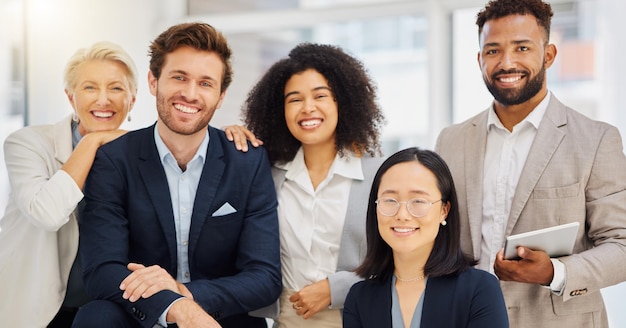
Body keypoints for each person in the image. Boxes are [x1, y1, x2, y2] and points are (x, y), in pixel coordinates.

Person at [71, 22, 281, 328]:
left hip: (216, 313)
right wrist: (175, 308)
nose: (190, 93)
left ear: (221, 96)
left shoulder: (247, 161)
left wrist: (187, 295)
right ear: (154, 82)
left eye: (206, 83)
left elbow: (264, 277)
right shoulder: (114, 159)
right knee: (95, 318)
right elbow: (102, 270)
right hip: (140, 313)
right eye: (179, 77)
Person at [435, 0, 626, 326]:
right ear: (480, 59)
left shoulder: (596, 140)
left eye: (521, 47)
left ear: (549, 54)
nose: (506, 62)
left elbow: (621, 245)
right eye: (493, 51)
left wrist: (556, 271)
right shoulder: (451, 141)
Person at [225, 42, 385, 327]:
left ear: (342, 102)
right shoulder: (268, 176)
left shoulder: (379, 176)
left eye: (320, 95)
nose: (307, 108)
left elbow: (404, 261)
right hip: (288, 320)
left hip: (359, 317)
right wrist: (226, 140)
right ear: (279, 110)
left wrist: (335, 289)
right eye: (294, 99)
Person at [0, 41, 137, 327]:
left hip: (102, 312)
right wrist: (92, 141)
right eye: (89, 88)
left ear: (132, 99)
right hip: (34, 310)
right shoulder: (27, 143)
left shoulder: (139, 153)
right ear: (70, 96)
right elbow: (47, 214)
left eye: (116, 88)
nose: (103, 99)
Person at [343, 147, 509, 328]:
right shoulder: (359, 298)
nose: (402, 215)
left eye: (418, 201)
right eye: (390, 200)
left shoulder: (480, 290)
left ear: (444, 211)